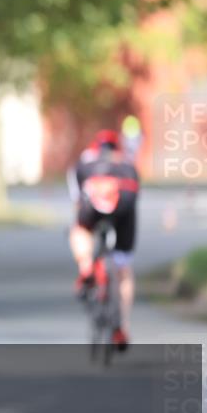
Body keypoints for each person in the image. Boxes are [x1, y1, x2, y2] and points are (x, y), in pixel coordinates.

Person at [67, 129, 140, 350]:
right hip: (125, 204)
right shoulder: (128, 164)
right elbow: (135, 196)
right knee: (124, 269)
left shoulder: (85, 162)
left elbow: (78, 199)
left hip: (94, 200)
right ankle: (123, 327)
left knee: (79, 230)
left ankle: (87, 267)